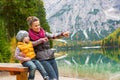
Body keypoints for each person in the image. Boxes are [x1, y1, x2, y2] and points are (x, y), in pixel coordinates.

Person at [26, 16, 70, 80]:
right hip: (42, 59)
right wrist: (40, 40)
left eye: (39, 25)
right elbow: (29, 44)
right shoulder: (28, 35)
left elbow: (53, 36)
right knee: (53, 78)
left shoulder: (43, 32)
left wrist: (62, 34)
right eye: (35, 26)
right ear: (31, 27)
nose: (38, 27)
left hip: (51, 57)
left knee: (56, 78)